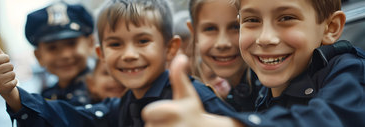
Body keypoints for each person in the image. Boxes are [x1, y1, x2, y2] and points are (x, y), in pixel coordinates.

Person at [0, 0, 230, 126]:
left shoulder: (195, 100)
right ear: (101, 53)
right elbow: (74, 118)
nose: (129, 54)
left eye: (143, 41)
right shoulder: (124, 102)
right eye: (116, 44)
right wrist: (14, 95)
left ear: (170, 48)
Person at [143, 0, 365, 126]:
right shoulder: (269, 91)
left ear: (331, 28)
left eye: (286, 18)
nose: (265, 38)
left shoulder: (349, 70)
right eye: (252, 20)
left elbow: (331, 119)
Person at [187, 0, 262, 111]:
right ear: (194, 32)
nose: (222, 43)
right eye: (210, 28)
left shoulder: (270, 89)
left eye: (235, 27)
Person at [25, 2, 95, 105]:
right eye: (52, 48)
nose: (65, 55)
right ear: (39, 56)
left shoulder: (106, 90)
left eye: (72, 43)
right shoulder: (46, 97)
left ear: (90, 44)